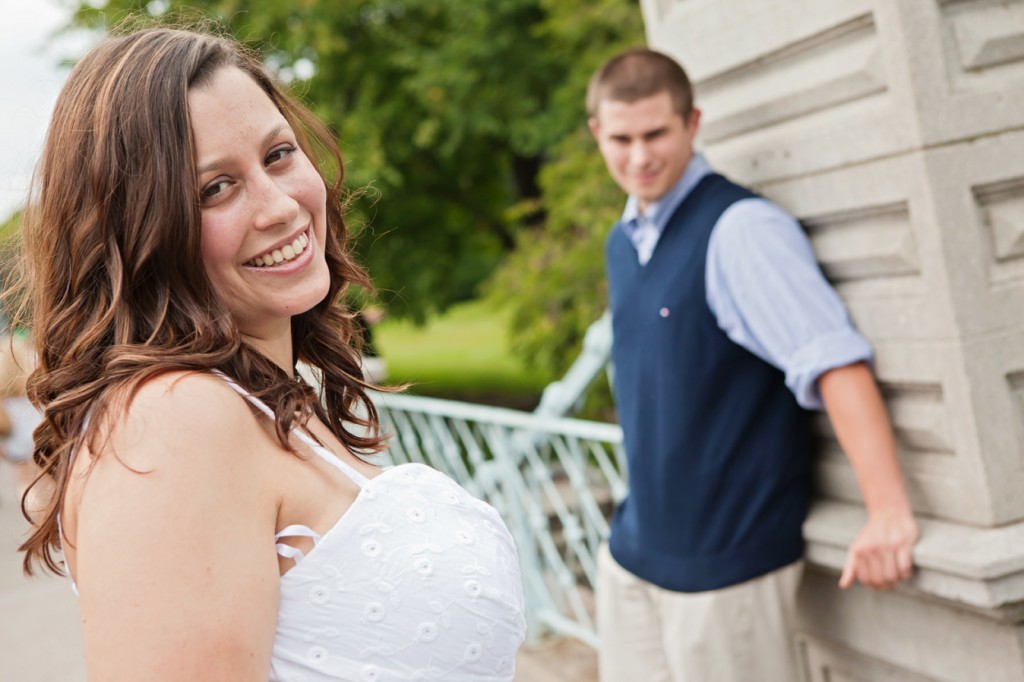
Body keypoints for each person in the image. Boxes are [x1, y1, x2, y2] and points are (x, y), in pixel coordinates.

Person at [16, 25, 525, 681]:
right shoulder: (175, 420)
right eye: (216, 188)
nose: (281, 205)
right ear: (138, 231)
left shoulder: (265, 396)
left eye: (278, 154)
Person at [587, 48, 919, 681]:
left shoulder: (741, 230)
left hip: (726, 572)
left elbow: (834, 364)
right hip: (632, 556)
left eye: (656, 133)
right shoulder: (623, 239)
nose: (639, 156)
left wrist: (888, 511)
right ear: (598, 133)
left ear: (693, 123)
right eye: (622, 138)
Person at [0, 330, 44, 503]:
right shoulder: (33, 392)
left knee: (25, 482)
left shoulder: (4, 399)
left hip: (15, 446)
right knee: (41, 480)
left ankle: (31, 509)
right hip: (36, 440)